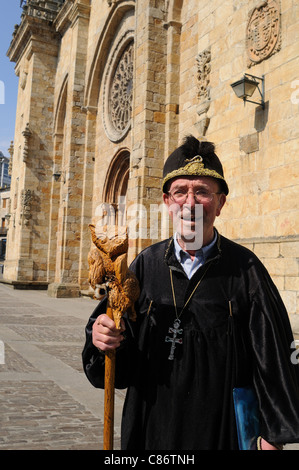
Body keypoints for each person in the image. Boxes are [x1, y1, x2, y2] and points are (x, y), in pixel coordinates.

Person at [82, 135, 299, 450]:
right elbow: (118, 366)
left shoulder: (246, 270)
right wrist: (104, 340)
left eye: (202, 192)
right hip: (151, 431)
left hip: (221, 433)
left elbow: (276, 356)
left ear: (221, 203)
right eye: (180, 191)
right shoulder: (142, 267)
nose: (190, 203)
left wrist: (272, 435)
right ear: (167, 203)